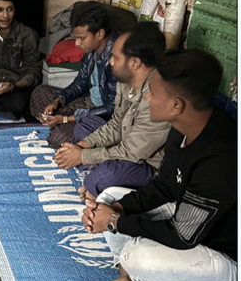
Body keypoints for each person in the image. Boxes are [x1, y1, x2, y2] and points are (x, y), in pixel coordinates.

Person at [82, 50, 237, 281]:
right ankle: (135, 277)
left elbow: (182, 235)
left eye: (152, 91)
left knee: (136, 255)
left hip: (224, 254)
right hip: (189, 221)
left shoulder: (221, 156)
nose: (148, 97)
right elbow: (165, 186)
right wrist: (114, 209)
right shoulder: (181, 129)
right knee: (108, 196)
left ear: (176, 105)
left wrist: (114, 221)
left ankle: (141, 276)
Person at [54, 22, 170, 197]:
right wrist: (82, 146)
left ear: (135, 63)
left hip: (145, 164)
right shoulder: (126, 82)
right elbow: (116, 124)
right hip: (123, 146)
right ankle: (97, 171)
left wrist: (84, 156)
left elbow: (132, 152)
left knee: (103, 176)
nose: (110, 61)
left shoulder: (157, 97)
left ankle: (97, 176)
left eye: (115, 57)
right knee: (84, 127)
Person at [30, 2, 119, 148]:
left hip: (103, 116)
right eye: (76, 37)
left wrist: (66, 119)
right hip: (88, 103)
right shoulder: (91, 50)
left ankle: (68, 130)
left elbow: (111, 109)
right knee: (40, 93)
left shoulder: (117, 57)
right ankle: (64, 125)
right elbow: (81, 82)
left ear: (100, 33)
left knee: (61, 137)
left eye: (82, 38)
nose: (77, 43)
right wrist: (58, 101)